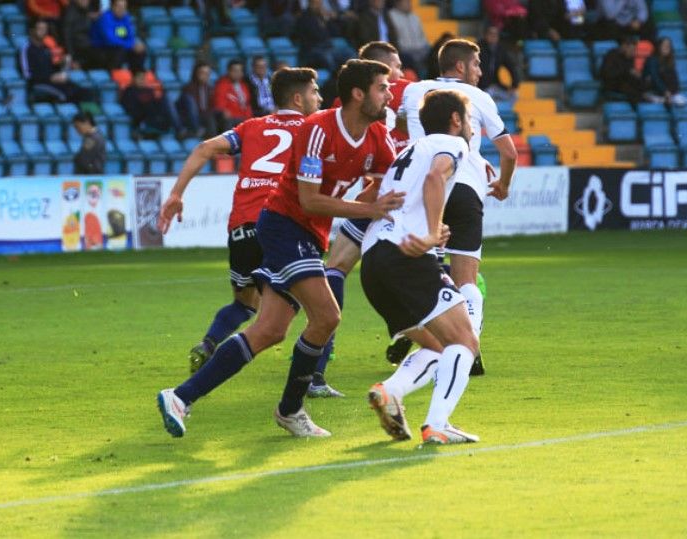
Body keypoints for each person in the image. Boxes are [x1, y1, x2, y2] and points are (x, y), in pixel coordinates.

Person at [157, 59, 403, 439]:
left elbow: (391, 182)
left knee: (269, 330)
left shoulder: (378, 137)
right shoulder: (317, 129)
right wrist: (368, 209)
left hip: (307, 235)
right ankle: (290, 410)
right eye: (383, 87)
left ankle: (180, 396)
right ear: (358, 94)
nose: (390, 94)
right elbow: (309, 201)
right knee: (326, 316)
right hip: (284, 225)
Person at [157, 67, 322, 373]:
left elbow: (204, 148)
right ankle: (313, 377)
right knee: (318, 308)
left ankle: (207, 344)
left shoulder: (252, 126)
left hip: (243, 228)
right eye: (315, 92)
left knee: (245, 303)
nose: (320, 98)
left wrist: (176, 194)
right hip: (281, 226)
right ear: (298, 99)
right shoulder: (315, 129)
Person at [363, 89, 481, 444]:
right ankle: (438, 425)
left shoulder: (409, 149)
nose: (472, 128)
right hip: (406, 256)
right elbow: (435, 179)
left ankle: (391, 392)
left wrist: (434, 228)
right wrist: (431, 234)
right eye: (470, 120)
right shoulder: (453, 144)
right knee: (464, 340)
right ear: (456, 120)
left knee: (438, 345)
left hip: (374, 259)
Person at [397, 38, 517, 376]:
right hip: (464, 187)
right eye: (477, 65)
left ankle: (420, 333)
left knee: (425, 274)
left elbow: (395, 126)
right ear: (461, 66)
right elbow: (509, 152)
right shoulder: (477, 96)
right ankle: (469, 346)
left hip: (421, 192)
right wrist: (503, 185)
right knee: (467, 281)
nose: (480, 72)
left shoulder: (413, 91)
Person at [310, 40, 412, 398]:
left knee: (341, 267)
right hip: (382, 201)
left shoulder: (405, 99)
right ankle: (406, 331)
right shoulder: (367, 107)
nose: (400, 74)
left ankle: (419, 333)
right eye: (395, 66)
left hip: (395, 200)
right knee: (336, 268)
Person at [20, 20, 93, 104]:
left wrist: (62, 64)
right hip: (39, 83)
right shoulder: (27, 49)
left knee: (84, 92)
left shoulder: (46, 48)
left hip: (53, 81)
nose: (43, 32)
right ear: (32, 30)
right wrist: (50, 77)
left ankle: (88, 116)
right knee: (65, 95)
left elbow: (53, 66)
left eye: (45, 29)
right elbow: (28, 75)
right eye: (40, 29)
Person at [120, 68, 181, 138]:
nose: (142, 80)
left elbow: (155, 103)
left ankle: (177, 129)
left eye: (143, 78)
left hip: (155, 117)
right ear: (134, 78)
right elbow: (130, 109)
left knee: (166, 100)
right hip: (142, 118)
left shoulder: (149, 90)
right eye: (139, 78)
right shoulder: (129, 92)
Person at [89, 0, 146, 70]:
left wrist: (134, 44)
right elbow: (110, 40)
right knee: (119, 50)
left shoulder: (126, 17)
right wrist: (130, 45)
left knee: (140, 50)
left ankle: (137, 76)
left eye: (124, 7)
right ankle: (114, 75)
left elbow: (130, 35)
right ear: (112, 7)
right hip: (101, 49)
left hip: (120, 47)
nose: (122, 10)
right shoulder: (104, 18)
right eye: (119, 7)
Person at [477, 25, 520, 103]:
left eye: (495, 34)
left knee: (514, 95)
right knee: (488, 95)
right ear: (485, 35)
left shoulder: (500, 50)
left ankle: (502, 113)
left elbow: (511, 66)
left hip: (495, 85)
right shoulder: (478, 49)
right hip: (481, 86)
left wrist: (514, 85)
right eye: (491, 34)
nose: (493, 36)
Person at [387, 0, 429, 76]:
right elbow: (394, 39)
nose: (410, 4)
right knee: (410, 59)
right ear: (398, 3)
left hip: (421, 50)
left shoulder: (415, 17)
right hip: (404, 50)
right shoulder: (391, 16)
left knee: (434, 56)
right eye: (407, 2)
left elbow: (423, 37)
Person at [642, 37, 687, 107]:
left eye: (668, 46)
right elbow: (654, 77)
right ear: (659, 47)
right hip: (654, 91)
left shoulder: (669, 61)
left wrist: (672, 92)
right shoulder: (652, 60)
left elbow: (674, 78)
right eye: (664, 46)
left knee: (683, 101)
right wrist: (665, 91)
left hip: (669, 93)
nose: (667, 48)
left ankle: (667, 99)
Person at [176, 62, 216, 138]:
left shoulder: (210, 88)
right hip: (192, 118)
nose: (205, 76)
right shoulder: (188, 88)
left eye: (207, 73)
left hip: (206, 116)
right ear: (196, 74)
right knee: (210, 119)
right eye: (202, 73)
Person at [599, 36, 642, 105]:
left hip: (625, 82)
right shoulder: (612, 55)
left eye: (634, 50)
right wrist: (628, 71)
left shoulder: (630, 58)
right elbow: (607, 73)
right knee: (632, 90)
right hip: (612, 83)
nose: (633, 52)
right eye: (631, 50)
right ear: (624, 46)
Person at [212, 59, 253, 131]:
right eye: (235, 71)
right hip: (232, 118)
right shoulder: (222, 85)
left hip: (244, 117)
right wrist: (224, 110)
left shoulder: (244, 86)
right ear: (229, 71)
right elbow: (220, 104)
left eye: (240, 71)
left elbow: (247, 104)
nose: (238, 73)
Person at [61, 0, 96, 69]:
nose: (85, 1)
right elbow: (67, 37)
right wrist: (72, 57)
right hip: (79, 51)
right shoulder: (70, 13)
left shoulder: (89, 12)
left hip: (90, 47)